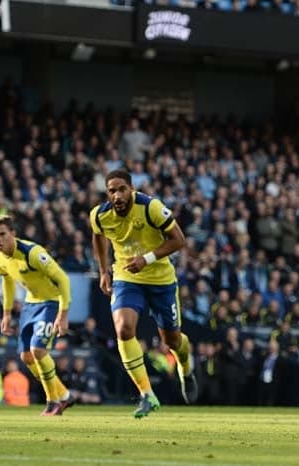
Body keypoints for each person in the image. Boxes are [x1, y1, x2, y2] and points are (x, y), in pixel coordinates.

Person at [90, 169, 197, 418]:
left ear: (132, 189)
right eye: (112, 191)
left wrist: (147, 259)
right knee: (124, 329)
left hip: (160, 280)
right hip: (127, 277)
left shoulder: (151, 207)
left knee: (172, 340)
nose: (117, 195)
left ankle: (185, 366)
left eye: (121, 189)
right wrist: (104, 270)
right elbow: (98, 237)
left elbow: (179, 240)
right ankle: (147, 394)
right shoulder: (99, 215)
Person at [0, 214, 74, 415]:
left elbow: (63, 279)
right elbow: (7, 282)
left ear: (13, 234)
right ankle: (64, 395)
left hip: (52, 303)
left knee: (38, 350)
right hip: (30, 304)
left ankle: (53, 401)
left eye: (2, 234)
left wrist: (63, 313)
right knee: (26, 356)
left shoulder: (32, 253)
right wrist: (7, 313)